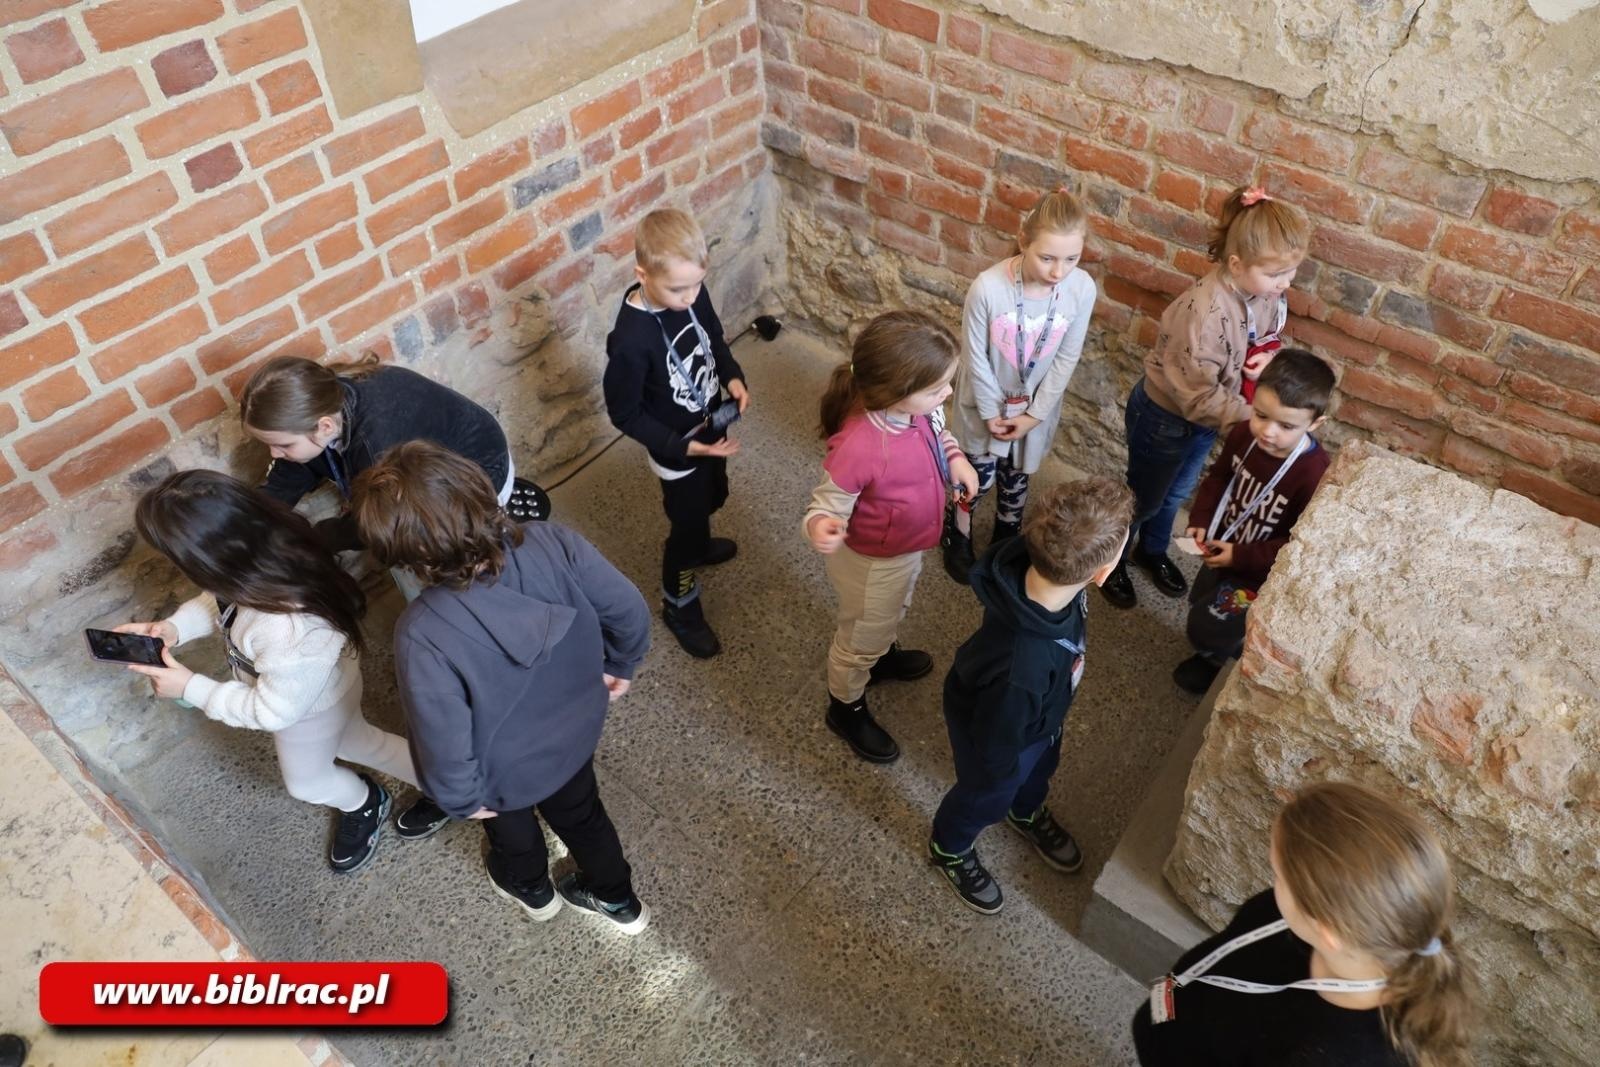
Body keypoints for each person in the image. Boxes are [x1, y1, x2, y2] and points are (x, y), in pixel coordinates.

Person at [350, 441, 654, 934]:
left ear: (407, 556)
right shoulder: (555, 541)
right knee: (585, 818)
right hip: (576, 734)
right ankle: (618, 900)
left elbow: (441, 736)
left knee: (511, 832)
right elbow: (629, 612)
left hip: (500, 775)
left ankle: (533, 890)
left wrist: (461, 799)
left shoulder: (421, 632)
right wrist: (623, 659)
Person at [114, 471, 422, 875]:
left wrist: (191, 687)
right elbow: (219, 601)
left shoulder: (284, 626)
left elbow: (275, 711)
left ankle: (365, 801)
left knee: (307, 783)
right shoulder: (264, 553)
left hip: (305, 707)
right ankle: (448, 784)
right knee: (358, 741)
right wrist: (173, 628)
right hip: (326, 683)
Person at [1132, 781, 1473, 1067]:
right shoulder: (1286, 916)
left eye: (1278, 876)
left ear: (1327, 931)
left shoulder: (1331, 1055)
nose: (1273, 885)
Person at [929, 478, 1131, 913]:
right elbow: (996, 742)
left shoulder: (1045, 566)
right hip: (1000, 738)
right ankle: (950, 846)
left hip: (1038, 719)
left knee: (1040, 767)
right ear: (1103, 573)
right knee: (985, 795)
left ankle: (1025, 809)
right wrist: (999, 777)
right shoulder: (1021, 668)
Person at [1104, 186, 1309, 610]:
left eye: (1291, 273)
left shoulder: (1264, 294)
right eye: (1276, 274)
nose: (1285, 284)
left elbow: (1265, 338)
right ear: (1236, 264)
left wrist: (1265, 359)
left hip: (1206, 418)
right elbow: (1197, 393)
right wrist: (1258, 420)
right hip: (1166, 417)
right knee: (1142, 501)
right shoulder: (1203, 313)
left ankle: (1153, 550)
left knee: (1176, 494)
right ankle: (1111, 561)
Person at [804, 311, 979, 764]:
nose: (948, 394)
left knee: (892, 610)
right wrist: (821, 527)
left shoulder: (919, 410)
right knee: (861, 634)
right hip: (871, 562)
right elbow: (825, 504)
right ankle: (846, 705)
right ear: (897, 393)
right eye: (938, 387)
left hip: (905, 545)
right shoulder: (862, 445)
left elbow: (941, 434)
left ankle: (881, 655)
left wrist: (955, 459)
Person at [602, 208, 751, 660]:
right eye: (676, 289)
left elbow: (715, 339)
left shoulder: (691, 293)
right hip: (678, 449)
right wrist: (684, 446)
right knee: (684, 528)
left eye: (696, 285)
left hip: (710, 426)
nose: (689, 298)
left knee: (714, 497)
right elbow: (624, 413)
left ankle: (701, 542)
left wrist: (733, 376)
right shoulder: (631, 340)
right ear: (641, 275)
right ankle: (679, 602)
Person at [239, 353, 537, 559]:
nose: (274, 453)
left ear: (324, 427)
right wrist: (257, 519)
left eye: (283, 445)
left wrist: (315, 538)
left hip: (481, 478)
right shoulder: (327, 402)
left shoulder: (375, 445)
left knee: (410, 549)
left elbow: (372, 526)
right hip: (431, 470)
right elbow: (293, 471)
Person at [943, 187, 1097, 584]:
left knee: (1017, 473)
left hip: (1033, 408)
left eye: (1071, 259)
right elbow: (974, 357)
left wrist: (1033, 415)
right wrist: (993, 412)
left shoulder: (1081, 289)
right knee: (975, 473)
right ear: (1023, 241)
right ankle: (957, 532)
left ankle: (1006, 533)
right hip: (983, 404)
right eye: (1046, 257)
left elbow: (1066, 358)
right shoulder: (987, 288)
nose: (1058, 271)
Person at [1173, 349, 1333, 694]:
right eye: (1261, 414)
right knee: (1202, 599)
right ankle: (1215, 645)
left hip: (1255, 572)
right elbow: (1218, 477)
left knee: (1215, 625)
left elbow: (1295, 544)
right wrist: (1201, 518)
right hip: (1221, 545)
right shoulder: (1245, 433)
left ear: (1315, 423)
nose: (1268, 432)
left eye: (1286, 426)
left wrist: (1239, 557)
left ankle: (1216, 659)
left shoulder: (1313, 472)